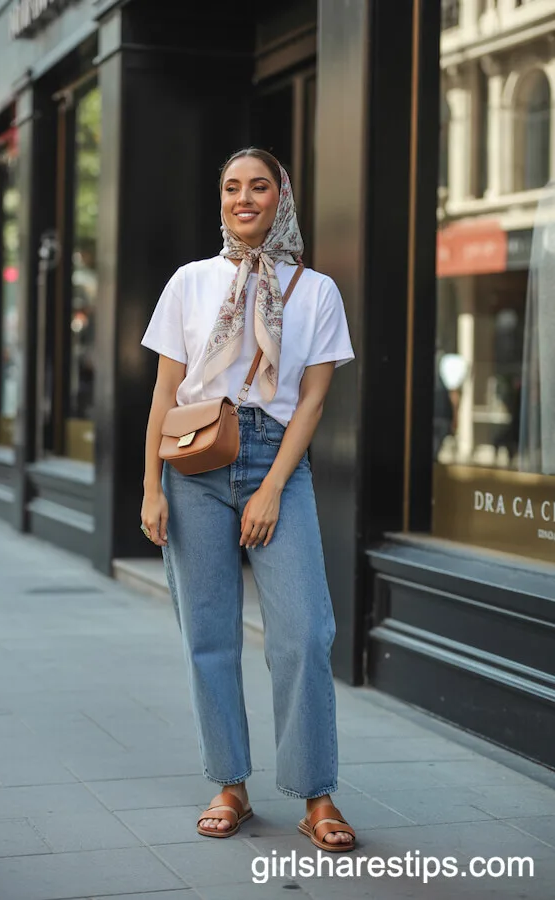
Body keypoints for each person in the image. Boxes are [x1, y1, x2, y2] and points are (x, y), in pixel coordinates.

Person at [140, 148, 357, 852]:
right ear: (222, 199)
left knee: (303, 633)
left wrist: (270, 486)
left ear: (280, 197)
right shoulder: (190, 283)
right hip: (194, 465)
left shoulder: (316, 290)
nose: (244, 198)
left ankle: (315, 795)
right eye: (232, 187)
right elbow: (165, 392)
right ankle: (229, 783)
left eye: (258, 186)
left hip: (276, 459)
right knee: (208, 634)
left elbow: (315, 400)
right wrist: (150, 486)